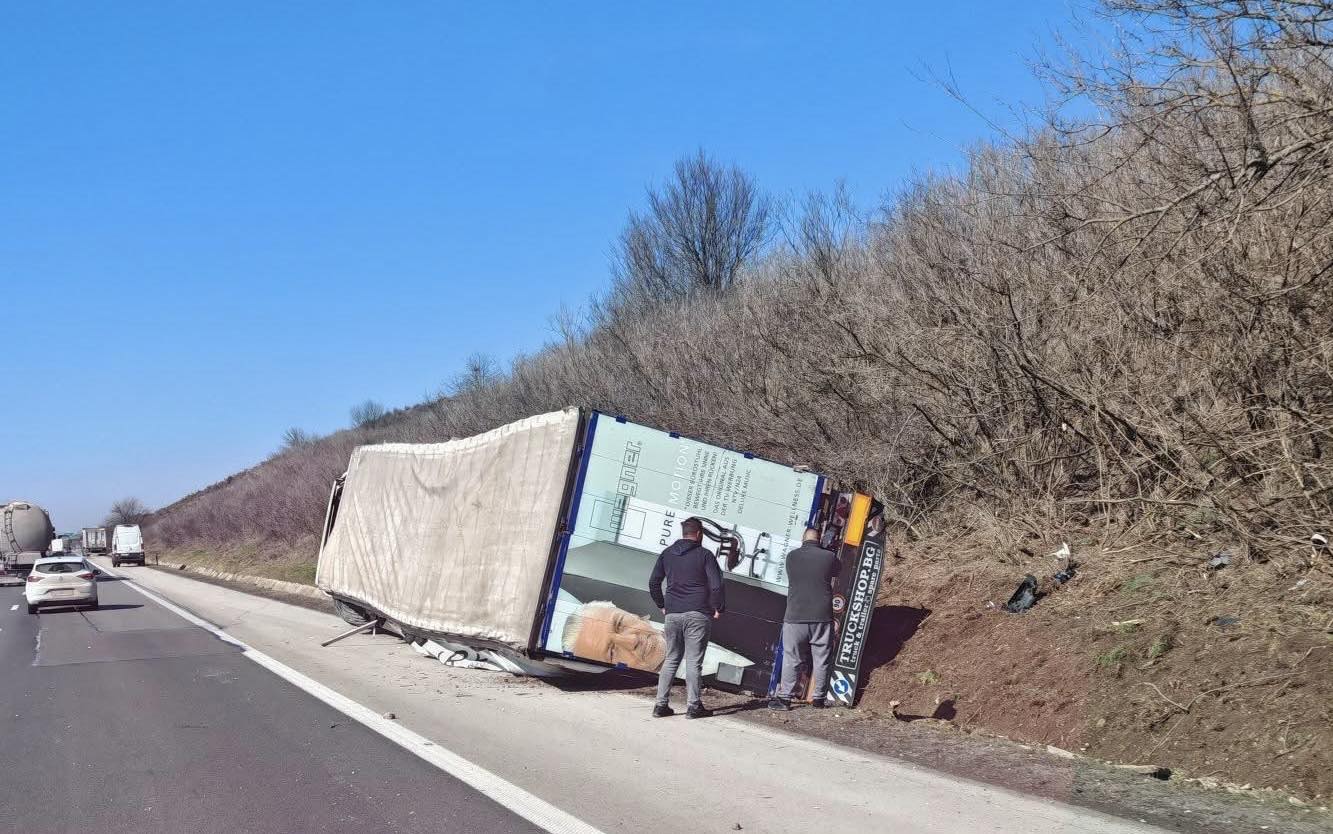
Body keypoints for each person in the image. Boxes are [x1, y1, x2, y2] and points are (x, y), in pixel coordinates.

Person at [648, 517, 724, 718]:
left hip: (673, 613)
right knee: (693, 661)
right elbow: (716, 585)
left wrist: (662, 605)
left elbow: (653, 583)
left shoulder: (667, 554)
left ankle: (660, 705)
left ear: (684, 533)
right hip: (697, 613)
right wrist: (718, 607)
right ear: (699, 534)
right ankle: (693, 707)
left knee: (671, 658)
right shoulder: (705, 555)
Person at [770, 527, 840, 710]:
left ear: (803, 540)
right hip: (821, 616)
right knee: (822, 659)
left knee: (792, 658)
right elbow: (837, 571)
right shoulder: (828, 557)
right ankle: (818, 699)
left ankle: (784, 698)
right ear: (820, 539)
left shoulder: (792, 557)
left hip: (795, 616)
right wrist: (828, 549)